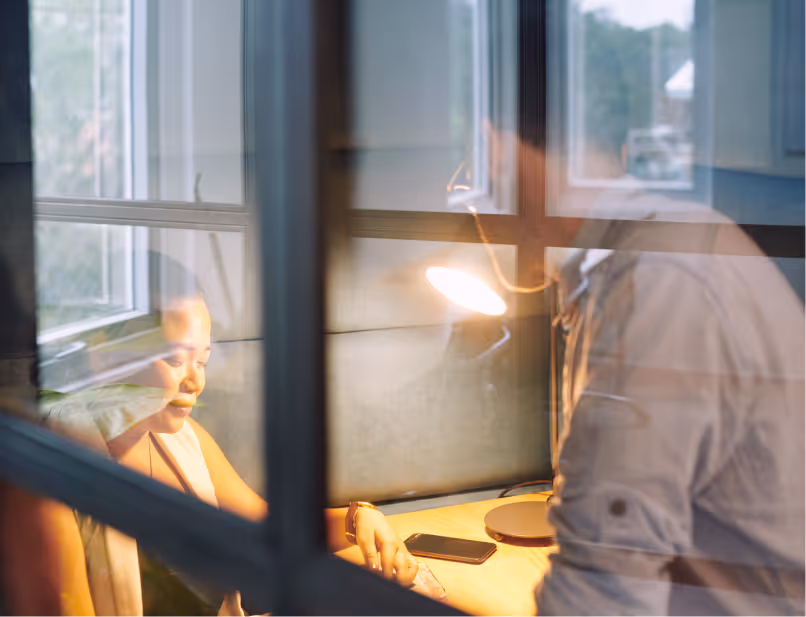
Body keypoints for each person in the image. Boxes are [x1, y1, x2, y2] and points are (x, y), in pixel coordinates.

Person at [488, 127, 804, 615]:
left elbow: (600, 598)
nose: (464, 196)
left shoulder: (656, 279)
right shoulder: (639, 258)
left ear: (505, 151)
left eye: (473, 164)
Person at [40, 253, 418, 616]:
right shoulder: (55, 462)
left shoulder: (185, 440)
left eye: (202, 360)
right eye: (175, 359)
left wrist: (356, 519)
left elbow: (264, 527)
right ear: (105, 357)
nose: (196, 380)